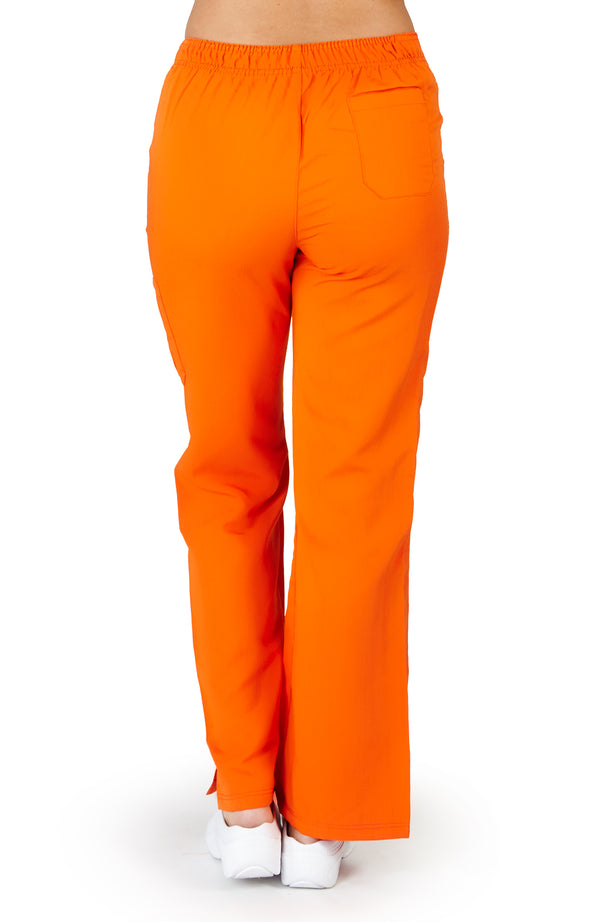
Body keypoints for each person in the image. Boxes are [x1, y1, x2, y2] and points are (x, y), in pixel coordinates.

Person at [145, 0, 449, 887]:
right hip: (376, 103)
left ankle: (247, 805)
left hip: (221, 106)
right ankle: (322, 817)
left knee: (227, 468)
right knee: (359, 487)